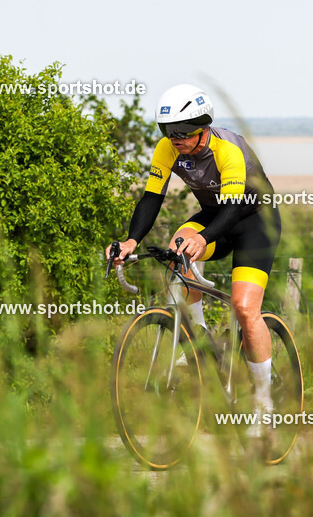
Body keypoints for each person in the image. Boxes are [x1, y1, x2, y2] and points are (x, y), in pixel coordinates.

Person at [110, 84, 280, 417]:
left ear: (202, 128)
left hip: (253, 222)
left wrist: (204, 239)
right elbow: (152, 198)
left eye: (183, 133)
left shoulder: (228, 151)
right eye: (168, 132)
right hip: (217, 216)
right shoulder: (168, 148)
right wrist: (131, 241)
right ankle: (195, 340)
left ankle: (264, 398)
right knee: (177, 249)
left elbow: (232, 209)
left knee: (245, 310)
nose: (176, 140)